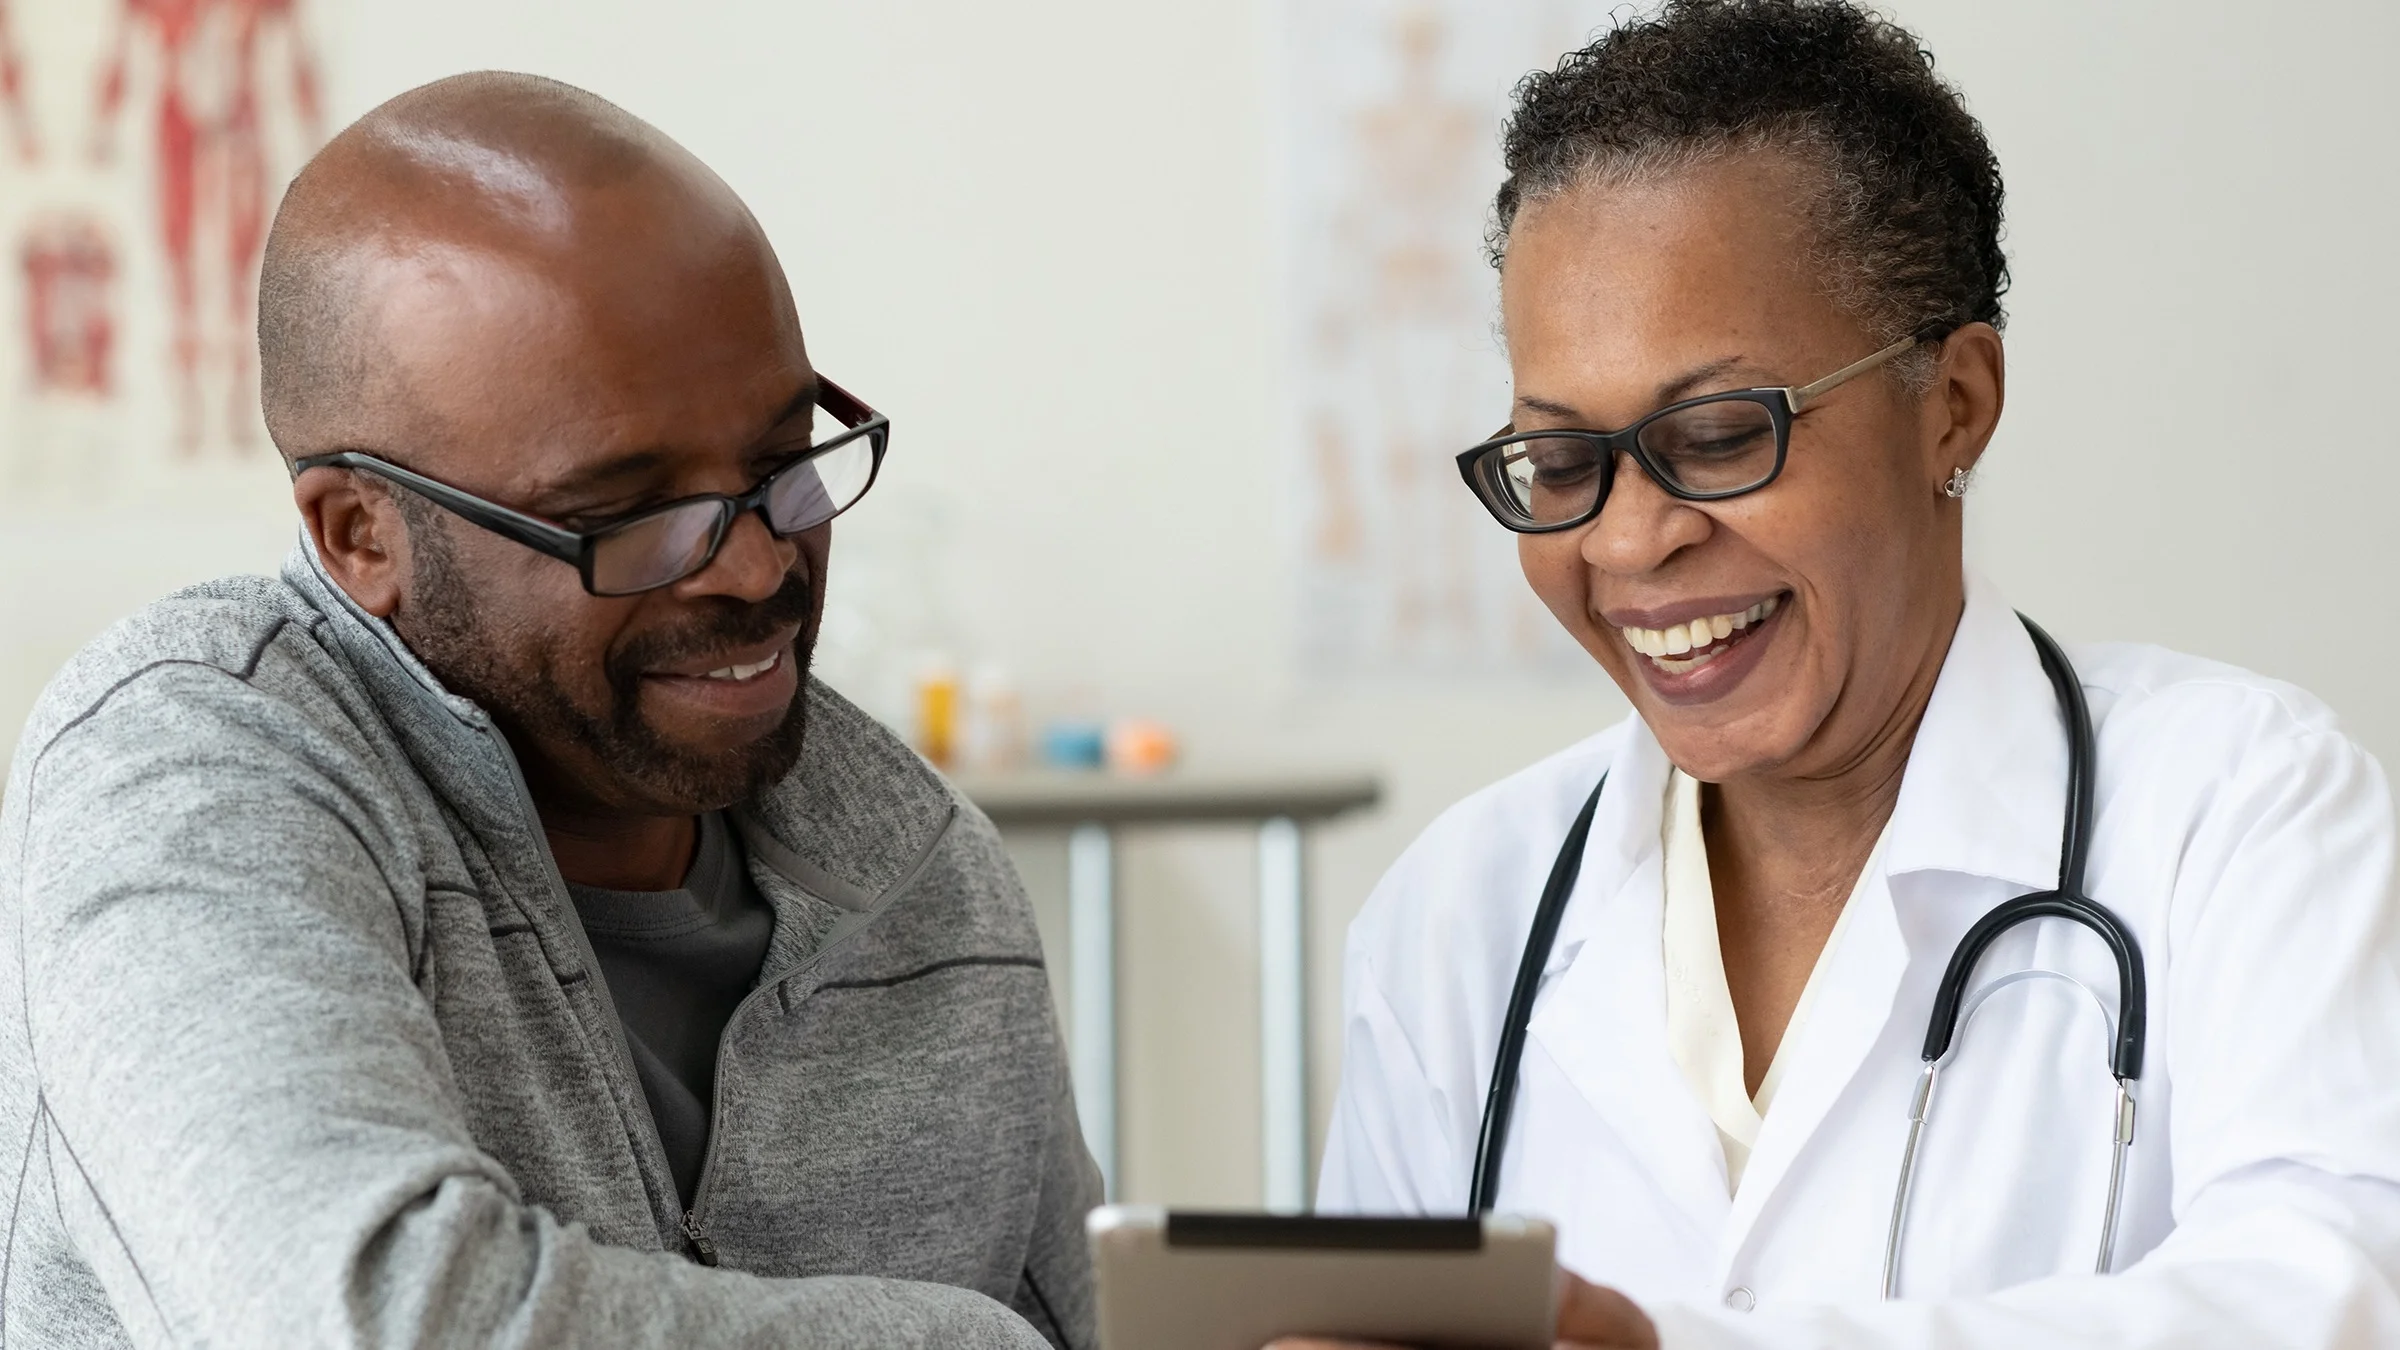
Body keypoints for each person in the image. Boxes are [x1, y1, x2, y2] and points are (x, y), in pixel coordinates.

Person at [1299, 3, 2400, 1347]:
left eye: (1716, 434)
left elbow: (2336, 1293)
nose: (1631, 537)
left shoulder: (2243, 813)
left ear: (1955, 404)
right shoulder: (1459, 921)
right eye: (1566, 462)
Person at [0, 72, 1097, 1347]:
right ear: (363, 533)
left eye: (784, 459)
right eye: (629, 512)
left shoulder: (921, 871)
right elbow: (366, 1319)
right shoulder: (191, 768)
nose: (752, 567)